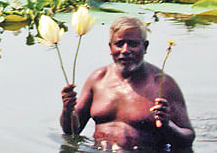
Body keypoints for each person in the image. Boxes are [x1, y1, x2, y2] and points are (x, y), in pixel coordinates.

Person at [60, 16, 194, 150]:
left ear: (145, 46)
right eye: (119, 44)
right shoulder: (98, 79)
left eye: (133, 44)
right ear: (110, 47)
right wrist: (67, 109)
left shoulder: (162, 84)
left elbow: (188, 138)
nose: (125, 50)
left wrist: (167, 124)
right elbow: (71, 131)